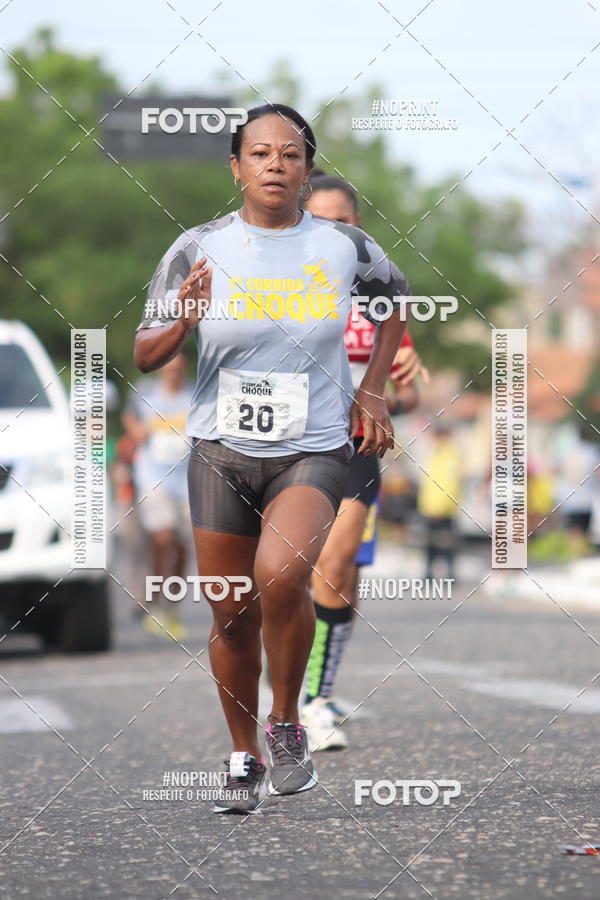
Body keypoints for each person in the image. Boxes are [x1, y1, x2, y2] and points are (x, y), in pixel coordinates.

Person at [133, 104, 409, 813]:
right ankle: (242, 751)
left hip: (313, 447)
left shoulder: (344, 245)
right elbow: (145, 350)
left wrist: (372, 389)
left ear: (307, 168)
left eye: (290, 155)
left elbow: (395, 299)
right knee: (230, 612)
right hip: (221, 449)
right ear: (236, 167)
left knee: (281, 576)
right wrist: (186, 319)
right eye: (260, 154)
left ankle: (286, 722)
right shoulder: (196, 247)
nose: (275, 166)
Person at [300, 173, 427, 750]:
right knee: (300, 572)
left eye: (344, 221)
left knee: (343, 565)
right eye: (321, 220)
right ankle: (301, 694)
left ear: (358, 225)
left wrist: (393, 390)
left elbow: (408, 392)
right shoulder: (284, 283)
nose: (334, 230)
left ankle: (315, 697)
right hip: (292, 438)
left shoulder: (378, 296)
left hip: (355, 443)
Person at [122, 353, 194, 640]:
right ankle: (154, 595)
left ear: (184, 369)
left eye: (178, 369)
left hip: (188, 482)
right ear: (161, 370)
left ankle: (170, 606)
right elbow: (130, 418)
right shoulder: (144, 392)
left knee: (183, 545)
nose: (173, 373)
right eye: (169, 368)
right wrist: (139, 430)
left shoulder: (196, 394)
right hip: (153, 478)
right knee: (162, 536)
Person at [417, 423, 462, 581]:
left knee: (447, 541)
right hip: (430, 507)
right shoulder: (433, 452)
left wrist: (441, 507)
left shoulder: (449, 454)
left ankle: (449, 572)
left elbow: (450, 483)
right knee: (431, 542)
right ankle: (429, 571)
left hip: (444, 507)